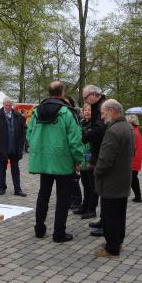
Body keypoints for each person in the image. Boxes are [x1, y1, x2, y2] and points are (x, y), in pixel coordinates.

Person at [27, 81, 84, 243]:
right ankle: (59, 233)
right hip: (63, 162)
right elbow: (75, 139)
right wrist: (78, 159)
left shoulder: (37, 112)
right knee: (63, 197)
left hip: (43, 162)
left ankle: (39, 229)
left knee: (43, 194)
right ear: (63, 92)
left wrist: (39, 150)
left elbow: (29, 134)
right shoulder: (67, 112)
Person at [94, 99, 135, 257]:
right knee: (119, 214)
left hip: (111, 181)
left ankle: (112, 248)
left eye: (103, 113)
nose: (102, 117)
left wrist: (97, 172)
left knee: (110, 215)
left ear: (111, 111)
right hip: (123, 179)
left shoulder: (113, 130)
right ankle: (118, 241)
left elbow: (105, 160)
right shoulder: (128, 127)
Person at [81, 85, 106, 234]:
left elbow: (99, 129)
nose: (85, 100)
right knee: (101, 188)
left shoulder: (102, 107)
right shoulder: (97, 106)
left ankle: (105, 223)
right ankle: (103, 220)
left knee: (103, 189)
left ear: (94, 94)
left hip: (102, 153)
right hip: (98, 153)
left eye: (86, 97)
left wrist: (84, 137)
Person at [0, 97, 27, 197]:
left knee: (15, 170)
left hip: (14, 148)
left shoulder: (18, 116)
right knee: (2, 169)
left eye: (10, 105)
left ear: (12, 106)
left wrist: (21, 143)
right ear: (3, 105)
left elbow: (23, 131)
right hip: (2, 148)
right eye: (6, 105)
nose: (8, 107)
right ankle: (2, 188)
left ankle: (17, 190)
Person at [73, 103, 97, 219]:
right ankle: (85, 205)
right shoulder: (81, 124)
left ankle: (91, 209)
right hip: (82, 158)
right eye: (85, 110)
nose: (87, 111)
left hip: (91, 159)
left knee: (92, 185)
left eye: (90, 110)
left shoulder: (95, 125)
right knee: (85, 184)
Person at [127, 114, 142, 203]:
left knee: (132, 179)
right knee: (133, 178)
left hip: (133, 158)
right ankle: (137, 196)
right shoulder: (136, 130)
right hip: (136, 158)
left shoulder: (132, 132)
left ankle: (138, 196)